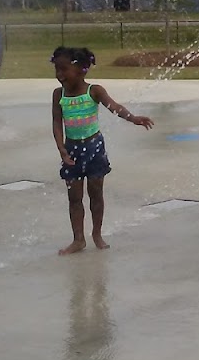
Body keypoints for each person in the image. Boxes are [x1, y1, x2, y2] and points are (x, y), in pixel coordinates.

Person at [51, 46, 153, 255]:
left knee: (96, 194)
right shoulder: (58, 94)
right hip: (71, 150)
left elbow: (114, 107)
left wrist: (133, 118)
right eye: (57, 70)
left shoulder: (94, 91)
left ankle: (96, 234)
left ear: (81, 69)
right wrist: (61, 148)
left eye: (64, 70)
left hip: (94, 148)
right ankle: (78, 239)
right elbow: (56, 122)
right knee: (74, 198)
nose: (59, 75)